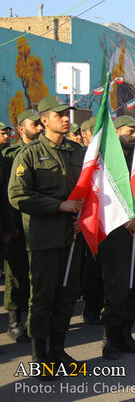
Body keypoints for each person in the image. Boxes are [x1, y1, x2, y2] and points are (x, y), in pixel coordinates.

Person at [8, 95, 84, 379]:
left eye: (68, 114)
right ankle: (41, 357)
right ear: (44, 120)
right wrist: (58, 206)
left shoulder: (78, 152)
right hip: (44, 238)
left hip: (73, 236)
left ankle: (59, 350)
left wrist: (84, 217)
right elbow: (18, 195)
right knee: (42, 298)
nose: (66, 118)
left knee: (67, 295)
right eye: (60, 114)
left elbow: (90, 189)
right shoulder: (28, 154)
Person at [99, 115, 135, 360]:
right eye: (130, 131)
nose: (134, 136)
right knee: (117, 288)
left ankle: (127, 334)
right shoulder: (107, 162)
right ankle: (110, 338)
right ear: (116, 131)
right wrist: (124, 218)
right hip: (117, 236)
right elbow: (101, 199)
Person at [2, 109, 43, 344]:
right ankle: (14, 321)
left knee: (34, 274)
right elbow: (6, 194)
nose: (39, 128)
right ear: (21, 129)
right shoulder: (9, 155)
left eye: (41, 124)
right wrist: (9, 227)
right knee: (15, 275)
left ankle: (30, 320)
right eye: (34, 124)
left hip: (39, 224)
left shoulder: (43, 152)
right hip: (18, 224)